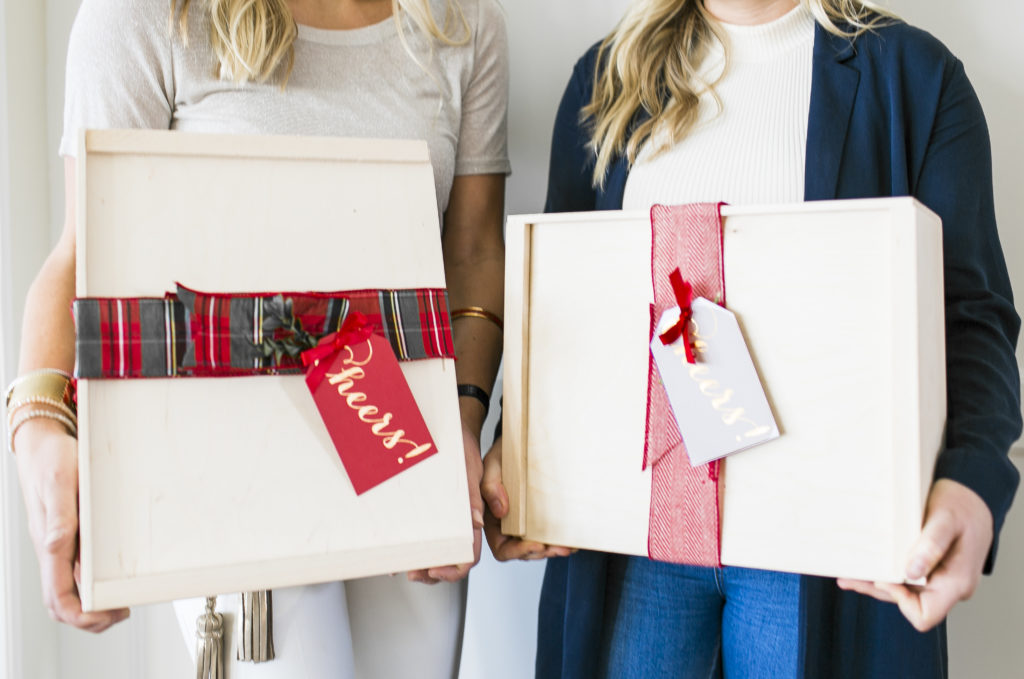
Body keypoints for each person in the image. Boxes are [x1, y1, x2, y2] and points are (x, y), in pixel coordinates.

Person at [481, 0, 1021, 676]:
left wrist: (972, 482)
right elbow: (560, 296)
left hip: (822, 541)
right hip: (631, 533)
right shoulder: (606, 78)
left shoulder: (916, 78)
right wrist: (517, 441)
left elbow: (970, 317)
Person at [5, 0, 508, 676]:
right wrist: (36, 424)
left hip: (398, 425)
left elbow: (473, 250)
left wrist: (467, 417)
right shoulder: (143, 14)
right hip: (228, 445)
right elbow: (83, 250)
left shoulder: (463, 20)